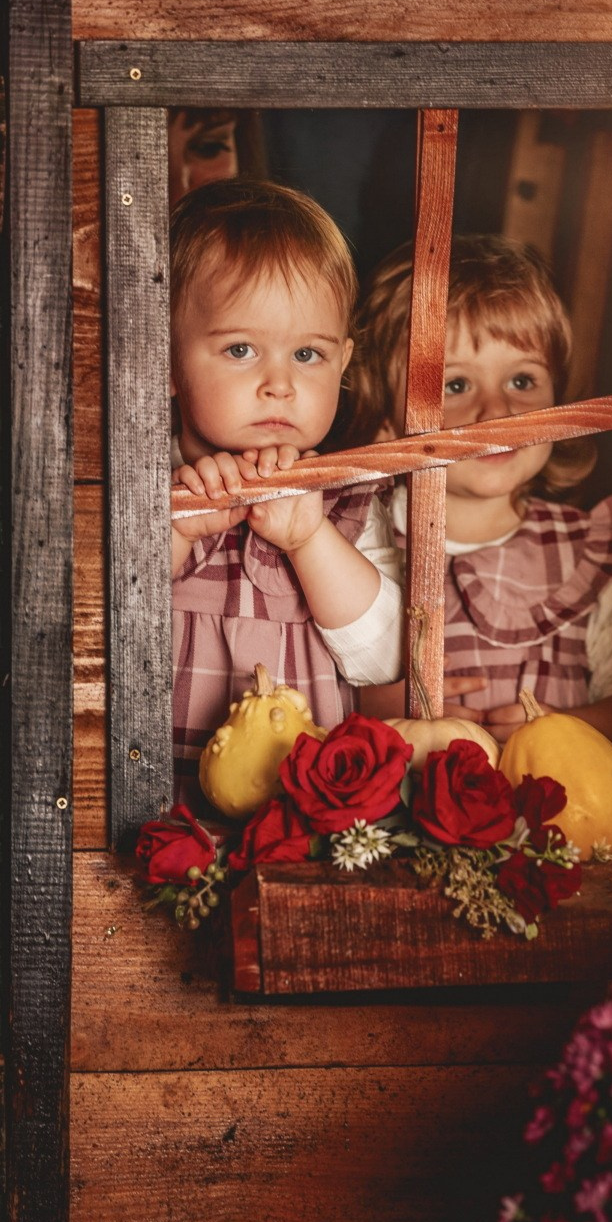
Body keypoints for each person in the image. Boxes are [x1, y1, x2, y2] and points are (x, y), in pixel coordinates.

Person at [349, 234, 612, 765]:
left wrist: (561, 728)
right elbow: (308, 688)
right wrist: (384, 707)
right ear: (384, 418)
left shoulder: (586, 551)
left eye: (522, 379)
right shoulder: (358, 543)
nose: (497, 412)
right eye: (455, 385)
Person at [170, 178, 403, 803]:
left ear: (345, 361)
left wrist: (309, 538)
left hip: (304, 812)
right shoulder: (143, 488)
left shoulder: (348, 502)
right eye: (241, 348)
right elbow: (93, 620)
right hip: (159, 801)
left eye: (308, 354)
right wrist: (174, 530)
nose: (280, 383)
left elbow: (385, 660)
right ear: (164, 358)